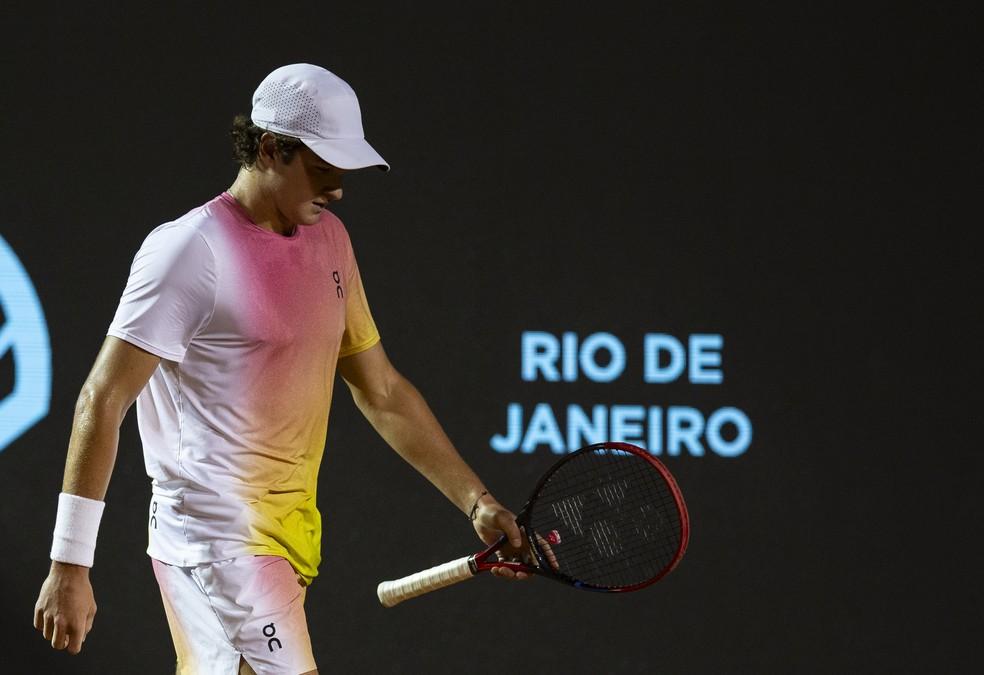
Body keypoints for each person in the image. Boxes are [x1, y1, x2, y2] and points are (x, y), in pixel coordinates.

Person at [33, 63, 527, 675]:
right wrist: (69, 564)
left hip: (287, 538)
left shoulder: (332, 241)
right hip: (215, 538)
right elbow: (102, 398)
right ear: (270, 149)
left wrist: (475, 502)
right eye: (323, 170)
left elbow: (383, 391)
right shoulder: (190, 249)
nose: (338, 188)